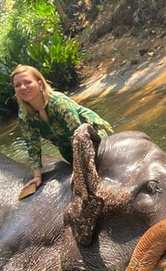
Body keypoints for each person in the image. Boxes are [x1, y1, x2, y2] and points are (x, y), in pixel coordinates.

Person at [12, 64, 113, 198]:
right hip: (68, 149)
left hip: (94, 139)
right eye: (17, 85)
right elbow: (32, 146)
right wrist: (37, 176)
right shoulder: (24, 115)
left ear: (40, 83)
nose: (23, 88)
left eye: (27, 82)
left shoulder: (58, 102)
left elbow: (78, 135)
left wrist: (81, 169)